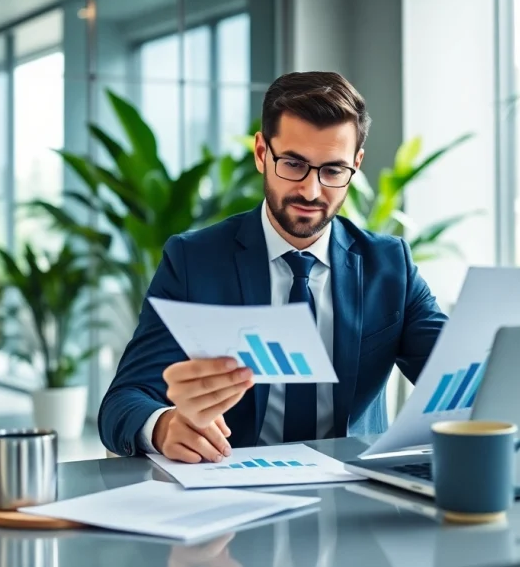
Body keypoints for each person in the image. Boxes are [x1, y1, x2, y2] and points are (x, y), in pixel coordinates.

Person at [98, 70, 448, 462]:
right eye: (294, 164)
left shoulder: (389, 264)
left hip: (356, 492)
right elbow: (122, 401)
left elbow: (458, 375)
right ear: (262, 152)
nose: (311, 191)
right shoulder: (194, 260)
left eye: (333, 171)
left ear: (356, 164)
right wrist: (163, 426)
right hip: (235, 489)